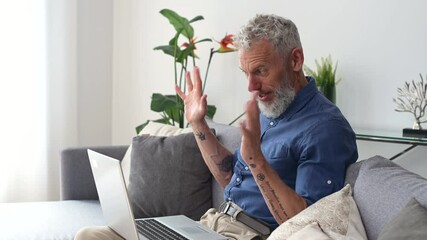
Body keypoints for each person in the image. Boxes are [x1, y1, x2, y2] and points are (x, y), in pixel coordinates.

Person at [75, 14, 357, 240]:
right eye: (246, 73)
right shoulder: (275, 107)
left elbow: (303, 223)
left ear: (295, 60)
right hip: (212, 223)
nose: (251, 86)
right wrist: (198, 123)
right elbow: (229, 177)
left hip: (249, 234)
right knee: (91, 235)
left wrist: (257, 161)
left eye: (260, 71)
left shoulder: (325, 128)